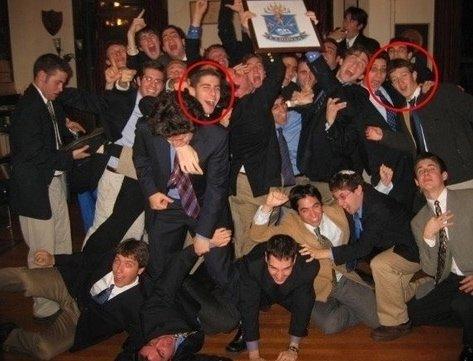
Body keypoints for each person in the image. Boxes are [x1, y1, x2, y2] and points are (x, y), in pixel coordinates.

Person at [9, 53, 89, 320]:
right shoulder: (27, 108)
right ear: (41, 77)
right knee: (42, 249)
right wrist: (70, 156)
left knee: (62, 243)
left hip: (53, 181)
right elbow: (33, 153)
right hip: (34, 188)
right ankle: (44, 308)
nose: (61, 88)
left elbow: (54, 137)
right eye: (57, 82)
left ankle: (62, 298)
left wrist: (70, 131)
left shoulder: (49, 102)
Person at [300, 171, 420, 341]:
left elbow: (363, 247)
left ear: (358, 190)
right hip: (393, 245)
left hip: (413, 250)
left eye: (343, 196)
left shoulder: (377, 208)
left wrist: (324, 253)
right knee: (389, 289)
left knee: (380, 265)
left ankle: (398, 324)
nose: (340, 203)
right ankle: (423, 285)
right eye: (337, 198)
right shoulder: (361, 198)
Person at [249, 185, 379, 334]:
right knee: (330, 326)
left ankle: (360, 301)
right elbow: (257, 235)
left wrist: (383, 185)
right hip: (315, 287)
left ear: (321, 204)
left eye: (316, 206)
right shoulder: (291, 226)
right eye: (305, 210)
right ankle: (357, 305)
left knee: (376, 320)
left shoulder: (337, 212)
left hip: (343, 278)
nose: (314, 215)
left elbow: (363, 204)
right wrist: (267, 206)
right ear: (297, 213)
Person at [133, 86, 229, 281]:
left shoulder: (215, 136)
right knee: (160, 269)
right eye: (170, 139)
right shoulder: (147, 128)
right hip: (165, 205)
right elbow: (141, 160)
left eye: (182, 137)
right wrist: (150, 191)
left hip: (203, 205)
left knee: (219, 269)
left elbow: (216, 188)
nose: (176, 142)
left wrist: (202, 235)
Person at [0, 239, 148, 360]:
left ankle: (7, 334)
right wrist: (54, 259)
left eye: (128, 265)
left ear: (140, 270)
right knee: (24, 279)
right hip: (70, 285)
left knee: (44, 349)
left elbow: (137, 339)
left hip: (79, 320)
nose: (118, 269)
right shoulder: (110, 257)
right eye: (118, 261)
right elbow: (85, 259)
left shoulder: (137, 303)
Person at [409, 152, 473, 361]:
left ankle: (470, 345)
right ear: (417, 182)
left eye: (431, 168)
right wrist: (428, 236)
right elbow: (430, 269)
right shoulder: (419, 222)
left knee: (461, 305)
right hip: (452, 277)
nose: (426, 172)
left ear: (444, 175)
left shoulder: (469, 198)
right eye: (421, 171)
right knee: (415, 314)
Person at [228, 235, 318, 360]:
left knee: (305, 306)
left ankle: (299, 327)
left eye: (286, 268)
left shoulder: (308, 265)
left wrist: (293, 348)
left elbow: (303, 301)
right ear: (266, 258)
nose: (280, 276)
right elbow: (249, 303)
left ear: (295, 259)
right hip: (262, 290)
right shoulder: (252, 264)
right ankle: (246, 329)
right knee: (242, 298)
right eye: (274, 268)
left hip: (290, 292)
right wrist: (254, 356)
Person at [387, 58, 473, 189]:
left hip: (462, 175)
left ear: (414, 75)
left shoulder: (440, 92)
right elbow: (410, 143)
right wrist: (383, 136)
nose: (400, 82)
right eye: (394, 79)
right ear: (393, 85)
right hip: (432, 182)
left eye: (404, 75)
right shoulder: (403, 111)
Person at [361, 52, 416, 209]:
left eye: (383, 69)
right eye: (373, 69)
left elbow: (411, 90)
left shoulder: (392, 90)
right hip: (385, 174)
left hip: (410, 169)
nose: (378, 74)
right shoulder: (356, 97)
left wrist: (428, 86)